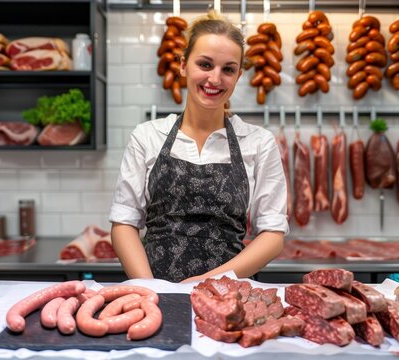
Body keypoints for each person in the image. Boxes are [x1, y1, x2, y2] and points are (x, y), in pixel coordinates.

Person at [109, 11, 288, 283]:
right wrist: (152, 289)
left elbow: (273, 235)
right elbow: (124, 223)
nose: (215, 79)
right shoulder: (148, 135)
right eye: (205, 65)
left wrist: (208, 283)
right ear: (183, 65)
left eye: (228, 69)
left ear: (238, 75)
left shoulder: (258, 142)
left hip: (229, 296)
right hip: (154, 293)